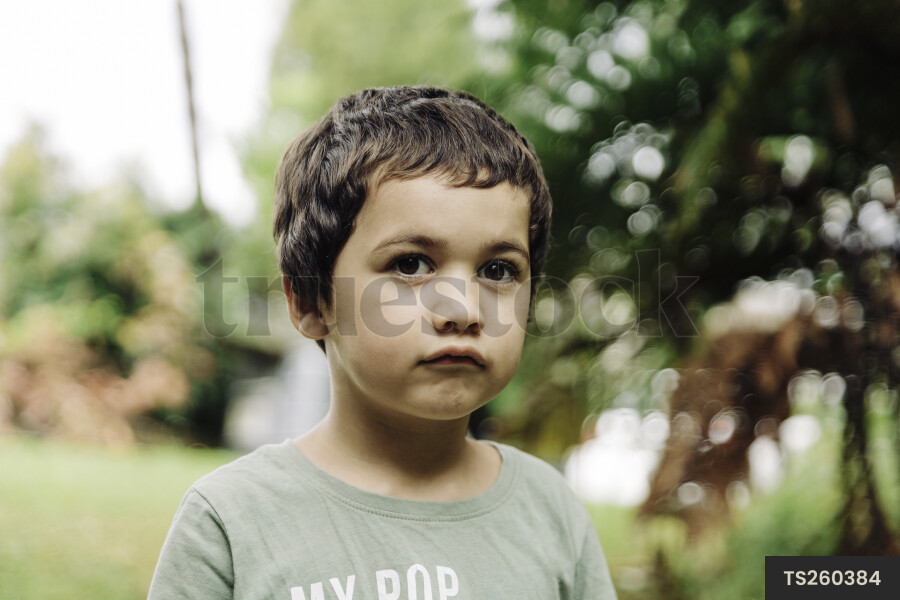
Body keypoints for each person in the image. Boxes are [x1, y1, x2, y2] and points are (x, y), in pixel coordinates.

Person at [148, 86, 617, 600]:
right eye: (411, 264)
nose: (462, 310)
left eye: (498, 270)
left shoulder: (551, 512)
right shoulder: (230, 522)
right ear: (309, 301)